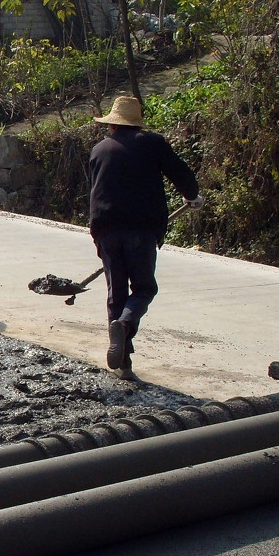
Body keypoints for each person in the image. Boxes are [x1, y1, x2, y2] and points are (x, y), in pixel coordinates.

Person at [88, 95, 202, 380]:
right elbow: (181, 174)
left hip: (106, 228)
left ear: (112, 125)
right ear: (137, 123)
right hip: (140, 229)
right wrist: (192, 196)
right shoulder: (151, 142)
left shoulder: (99, 150)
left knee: (117, 293)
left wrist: (98, 235)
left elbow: (96, 190)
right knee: (143, 289)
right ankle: (125, 324)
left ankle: (124, 363)